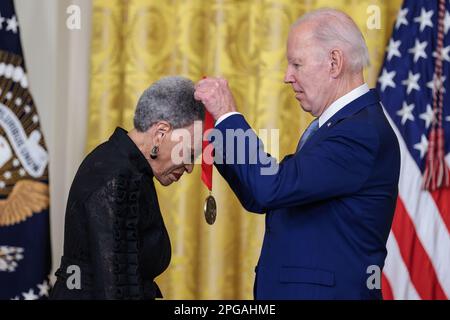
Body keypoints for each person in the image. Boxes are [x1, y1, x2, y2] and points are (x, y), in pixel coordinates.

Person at [194, 8, 400, 299]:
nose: (286, 77)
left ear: (334, 62)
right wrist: (217, 134)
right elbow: (260, 195)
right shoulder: (340, 126)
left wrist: (228, 116)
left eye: (296, 64)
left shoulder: (360, 132)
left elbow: (270, 187)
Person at [50, 76, 204, 299]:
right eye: (189, 153)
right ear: (160, 133)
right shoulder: (117, 176)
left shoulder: (126, 166)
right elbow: (114, 289)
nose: (190, 167)